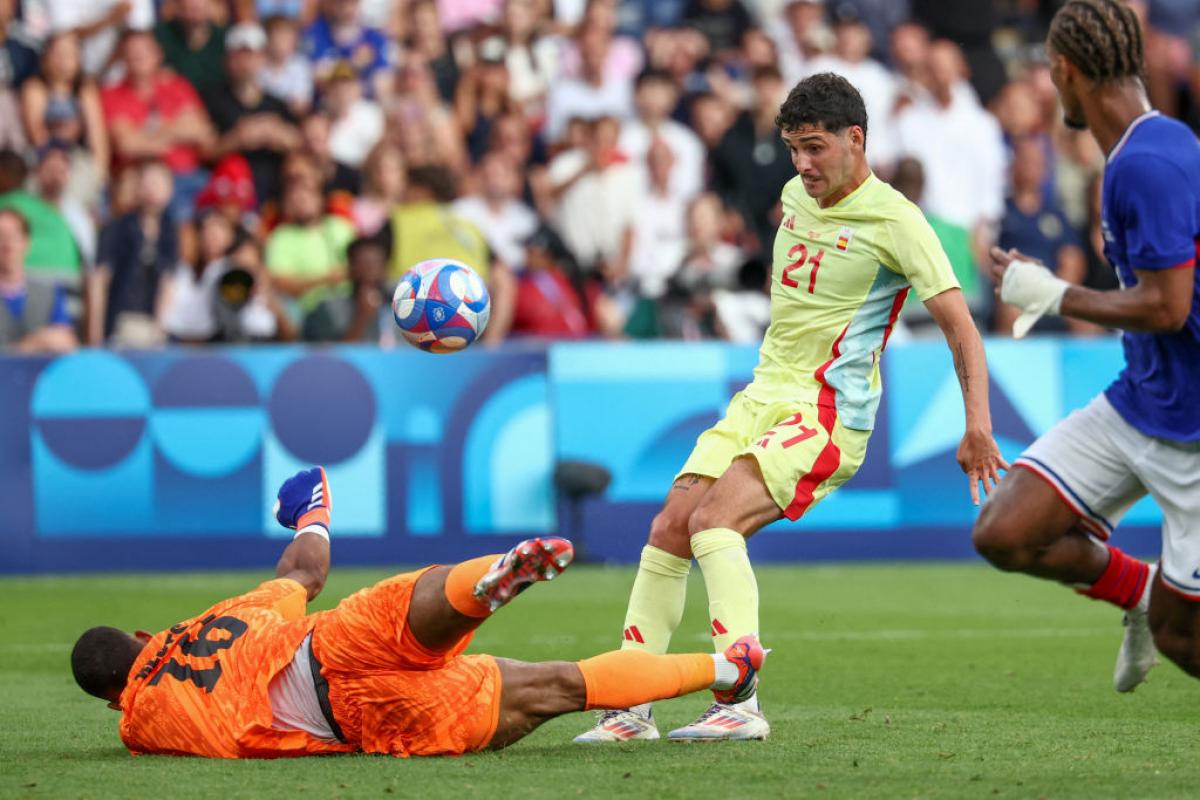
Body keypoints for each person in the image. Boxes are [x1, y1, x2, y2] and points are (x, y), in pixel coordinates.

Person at [575, 72, 1005, 743]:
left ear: (855, 139)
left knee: (715, 523)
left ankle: (738, 702)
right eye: (793, 149)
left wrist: (977, 425)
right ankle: (630, 706)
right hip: (760, 395)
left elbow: (962, 329)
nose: (802, 164)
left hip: (828, 412)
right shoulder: (794, 195)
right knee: (669, 528)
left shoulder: (898, 222)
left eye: (814, 147)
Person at [70, 466, 767, 759]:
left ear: (111, 699)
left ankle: (726, 669)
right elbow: (303, 574)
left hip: (352, 717)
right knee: (418, 607)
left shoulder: (137, 722)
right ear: (143, 636)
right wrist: (313, 513)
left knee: (558, 686)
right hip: (327, 643)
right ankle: (484, 584)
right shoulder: (210, 622)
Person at [974, 0, 1200, 693]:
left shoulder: (1148, 163)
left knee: (1183, 636)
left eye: (1049, 72)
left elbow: (1167, 306)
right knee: (1005, 532)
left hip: (1194, 428)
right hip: (1143, 400)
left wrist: (1053, 294)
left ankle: (1156, 608)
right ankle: (1139, 591)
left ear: (1066, 71)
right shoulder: (1136, 152)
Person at [0, 207, 76, 353]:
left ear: (26, 242)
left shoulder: (49, 294)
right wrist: (26, 346)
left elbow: (66, 340)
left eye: (13, 237)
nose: (7, 246)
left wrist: (46, 340)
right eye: (1, 238)